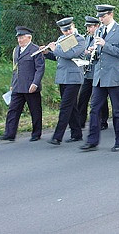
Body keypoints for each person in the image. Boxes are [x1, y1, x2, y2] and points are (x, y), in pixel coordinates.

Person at [80, 4, 119, 152]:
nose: (101, 19)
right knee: (94, 109)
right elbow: (101, 54)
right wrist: (93, 51)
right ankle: (92, 140)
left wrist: (105, 45)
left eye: (103, 16)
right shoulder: (100, 30)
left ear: (111, 15)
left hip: (115, 77)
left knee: (118, 111)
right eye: (99, 17)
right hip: (100, 76)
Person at [44, 17, 86, 145]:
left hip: (74, 77)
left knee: (65, 107)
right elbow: (59, 57)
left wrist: (54, 48)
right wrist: (46, 53)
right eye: (64, 30)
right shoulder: (61, 40)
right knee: (72, 107)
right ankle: (77, 133)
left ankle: (57, 136)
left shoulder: (79, 39)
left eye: (69, 29)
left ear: (73, 26)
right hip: (63, 77)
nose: (67, 32)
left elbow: (69, 54)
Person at [0, 26, 45, 142]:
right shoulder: (16, 50)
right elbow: (15, 69)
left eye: (22, 38)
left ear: (29, 38)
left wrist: (35, 83)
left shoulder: (35, 50)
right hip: (18, 86)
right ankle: (9, 133)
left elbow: (40, 69)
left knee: (35, 111)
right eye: (18, 38)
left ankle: (36, 133)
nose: (19, 40)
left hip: (30, 87)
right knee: (13, 110)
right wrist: (12, 84)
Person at [77, 16, 109, 129]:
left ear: (97, 26)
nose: (88, 29)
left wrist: (92, 53)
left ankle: (103, 121)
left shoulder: (101, 37)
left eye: (90, 27)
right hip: (88, 72)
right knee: (83, 97)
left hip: (98, 71)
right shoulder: (87, 38)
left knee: (100, 99)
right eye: (88, 27)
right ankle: (80, 122)